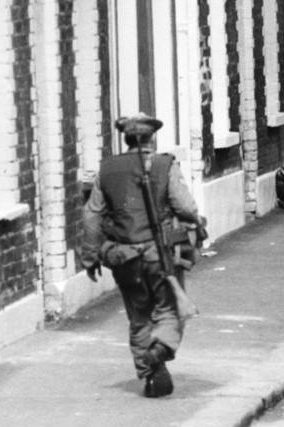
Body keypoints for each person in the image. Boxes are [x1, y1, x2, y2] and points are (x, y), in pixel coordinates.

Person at [81, 112, 205, 398]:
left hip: (123, 257)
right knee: (170, 310)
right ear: (151, 137)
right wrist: (196, 222)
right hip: (159, 255)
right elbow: (185, 207)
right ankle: (158, 350)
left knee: (139, 317)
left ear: (126, 139)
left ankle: (151, 374)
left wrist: (90, 258)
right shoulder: (164, 165)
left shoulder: (107, 170)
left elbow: (92, 217)